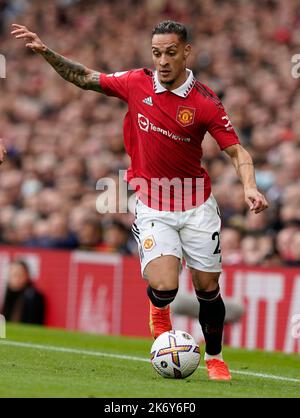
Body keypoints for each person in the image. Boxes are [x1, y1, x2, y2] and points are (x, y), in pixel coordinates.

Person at [11, 20, 268, 380]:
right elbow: (85, 77)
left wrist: (250, 187)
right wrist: (45, 51)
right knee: (165, 286)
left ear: (186, 53)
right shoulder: (136, 82)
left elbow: (237, 152)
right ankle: (160, 313)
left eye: (171, 53)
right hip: (153, 203)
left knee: (208, 290)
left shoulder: (205, 102)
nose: (163, 61)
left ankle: (215, 358)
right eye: (157, 53)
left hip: (197, 206)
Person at [1, 260, 45, 325]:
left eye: (20, 274)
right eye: (14, 275)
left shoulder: (34, 297)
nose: (17, 278)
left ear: (27, 276)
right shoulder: (4, 294)